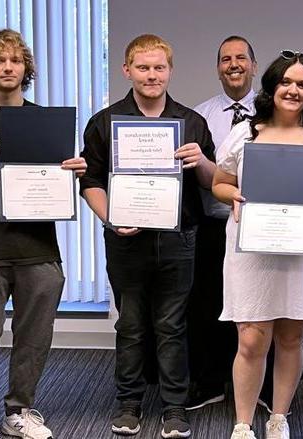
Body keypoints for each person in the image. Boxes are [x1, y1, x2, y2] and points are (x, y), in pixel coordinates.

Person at [0, 29, 87, 439]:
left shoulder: (44, 121)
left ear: (26, 68)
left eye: (16, 61)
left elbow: (54, 183)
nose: (8, 67)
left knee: (34, 337)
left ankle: (19, 411)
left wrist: (72, 172)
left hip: (39, 251)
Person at [80, 34, 215, 438]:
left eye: (158, 67)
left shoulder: (191, 122)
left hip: (179, 239)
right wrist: (111, 218)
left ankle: (174, 408)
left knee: (173, 325)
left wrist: (201, 161)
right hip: (125, 239)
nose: (151, 75)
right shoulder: (105, 122)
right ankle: (129, 404)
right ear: (127, 70)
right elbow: (90, 181)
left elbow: (213, 182)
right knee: (132, 325)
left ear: (169, 71)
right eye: (143, 67)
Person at [212, 51, 303, 439]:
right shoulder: (245, 132)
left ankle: (278, 417)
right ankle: (242, 424)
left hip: (302, 248)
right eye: (286, 82)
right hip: (252, 248)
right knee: (251, 337)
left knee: (291, 336)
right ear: (272, 87)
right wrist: (233, 197)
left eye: (302, 84)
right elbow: (219, 183)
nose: (293, 90)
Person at [188, 35, 257, 410]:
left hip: (259, 229)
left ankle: (257, 390)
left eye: (241, 58)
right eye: (226, 59)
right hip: (212, 227)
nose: (234, 64)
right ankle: (211, 383)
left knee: (258, 310)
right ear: (218, 68)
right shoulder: (200, 116)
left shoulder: (272, 111)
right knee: (209, 307)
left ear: (254, 66)